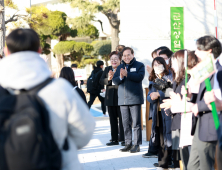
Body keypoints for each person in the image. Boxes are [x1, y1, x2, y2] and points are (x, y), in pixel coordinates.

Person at [0, 28, 95, 170]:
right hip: (59, 164)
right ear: (39, 51)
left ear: (6, 51)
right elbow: (84, 133)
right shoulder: (60, 88)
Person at [186, 35, 222, 170]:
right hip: (200, 125)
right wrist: (191, 95)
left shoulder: (218, 72)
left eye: (199, 49)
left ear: (209, 51)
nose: (195, 53)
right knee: (192, 166)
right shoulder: (205, 71)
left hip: (211, 124)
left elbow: (217, 99)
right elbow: (203, 96)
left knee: (206, 166)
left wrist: (198, 106)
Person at [113, 47, 145, 153]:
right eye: (124, 55)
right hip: (123, 99)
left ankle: (137, 144)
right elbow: (115, 81)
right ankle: (128, 143)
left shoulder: (139, 65)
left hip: (135, 98)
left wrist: (128, 74)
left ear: (133, 55)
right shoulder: (120, 67)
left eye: (128, 55)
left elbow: (139, 77)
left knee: (136, 123)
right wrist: (121, 77)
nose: (126, 57)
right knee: (125, 123)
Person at [147, 57, 173, 170]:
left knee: (169, 136)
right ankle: (162, 162)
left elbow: (170, 92)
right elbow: (149, 96)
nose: (157, 66)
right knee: (160, 137)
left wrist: (159, 94)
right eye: (155, 64)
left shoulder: (169, 75)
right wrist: (151, 96)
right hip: (157, 111)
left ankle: (170, 161)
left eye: (159, 64)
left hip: (167, 111)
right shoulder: (153, 78)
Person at [100, 51, 125, 146]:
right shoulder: (107, 69)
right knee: (112, 120)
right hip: (110, 98)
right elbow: (101, 81)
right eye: (112, 59)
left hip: (121, 97)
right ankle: (114, 139)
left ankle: (123, 139)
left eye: (116, 59)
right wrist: (109, 79)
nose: (113, 61)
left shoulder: (123, 68)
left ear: (120, 60)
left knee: (122, 120)